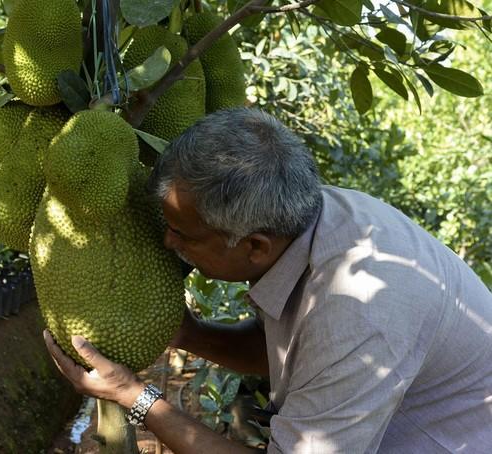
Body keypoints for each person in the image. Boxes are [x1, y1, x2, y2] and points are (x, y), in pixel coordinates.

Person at [43, 108, 492, 453]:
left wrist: (135, 396)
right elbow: (276, 352)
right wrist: (190, 334)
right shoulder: (313, 222)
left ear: (254, 245)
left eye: (184, 234)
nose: (166, 242)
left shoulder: (356, 318)